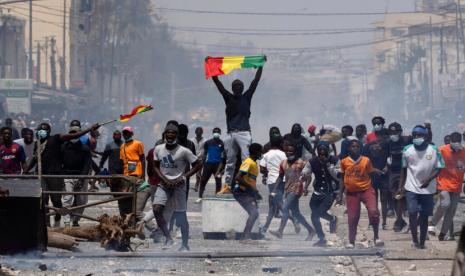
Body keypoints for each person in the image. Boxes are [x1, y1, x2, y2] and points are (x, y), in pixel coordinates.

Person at [27, 122, 99, 227]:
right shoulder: (37, 143)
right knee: (44, 199)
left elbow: (74, 136)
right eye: (39, 130)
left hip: (55, 175)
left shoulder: (56, 139)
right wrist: (26, 170)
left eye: (43, 130)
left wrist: (89, 129)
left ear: (49, 131)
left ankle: (58, 219)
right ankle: (47, 224)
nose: (41, 132)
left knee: (56, 200)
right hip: (42, 175)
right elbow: (34, 158)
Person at [211, 64, 263, 188]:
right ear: (232, 88)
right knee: (230, 162)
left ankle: (245, 184)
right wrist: (211, 68)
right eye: (235, 86)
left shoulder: (247, 96)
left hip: (244, 133)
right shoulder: (228, 97)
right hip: (230, 133)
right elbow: (218, 83)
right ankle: (227, 186)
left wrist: (261, 66)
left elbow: (255, 81)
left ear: (243, 88)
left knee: (246, 160)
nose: (238, 87)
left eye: (240, 86)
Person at [152, 124, 202, 251]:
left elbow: (198, 164)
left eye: (173, 133)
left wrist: (184, 177)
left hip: (179, 186)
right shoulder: (158, 149)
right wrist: (164, 179)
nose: (170, 135)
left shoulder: (184, 151)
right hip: (164, 184)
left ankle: (185, 244)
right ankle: (168, 237)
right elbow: (155, 166)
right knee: (157, 209)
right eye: (168, 133)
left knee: (181, 215)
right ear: (164, 135)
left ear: (177, 135)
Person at [398, 125, 444, 249]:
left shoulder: (434, 149)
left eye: (419, 135)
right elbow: (403, 169)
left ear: (425, 136)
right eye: (414, 135)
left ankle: (422, 242)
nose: (416, 137)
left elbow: (439, 167)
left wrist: (429, 179)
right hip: (411, 187)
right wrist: (400, 186)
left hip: (428, 189)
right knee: (412, 212)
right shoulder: (407, 150)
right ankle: (414, 239)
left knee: (424, 216)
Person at [337, 139, 384, 248]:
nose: (355, 148)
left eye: (357, 146)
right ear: (349, 148)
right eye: (353, 146)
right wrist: (340, 193)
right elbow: (342, 178)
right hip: (352, 192)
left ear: (360, 148)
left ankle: (376, 237)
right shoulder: (344, 162)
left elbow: (371, 173)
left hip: (366, 189)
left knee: (373, 211)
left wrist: (373, 188)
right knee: (352, 217)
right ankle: (351, 241)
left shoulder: (366, 160)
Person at [269, 144, 316, 241]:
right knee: (296, 214)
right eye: (287, 151)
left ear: (294, 152)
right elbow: (281, 176)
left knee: (285, 207)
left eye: (291, 151)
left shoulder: (300, 163)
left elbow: (308, 177)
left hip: (297, 189)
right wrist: (274, 189)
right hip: (288, 189)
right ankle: (311, 230)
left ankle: (280, 231)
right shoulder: (283, 163)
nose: (289, 153)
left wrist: (305, 187)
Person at [430, 132, 465, 241]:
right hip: (443, 183)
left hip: (457, 185)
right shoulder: (442, 150)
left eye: (458, 142)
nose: (456, 144)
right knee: (445, 204)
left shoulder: (464, 152)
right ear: (450, 142)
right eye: (454, 142)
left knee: (451, 211)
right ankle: (432, 223)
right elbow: (433, 163)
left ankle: (443, 233)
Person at [302, 143, 339, 246]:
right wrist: (303, 176)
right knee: (314, 215)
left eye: (324, 151)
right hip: (317, 191)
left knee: (318, 213)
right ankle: (322, 236)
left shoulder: (335, 160)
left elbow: (338, 176)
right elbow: (306, 171)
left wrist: (328, 165)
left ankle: (326, 230)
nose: (322, 154)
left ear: (328, 151)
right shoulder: (313, 161)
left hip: (330, 192)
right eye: (320, 151)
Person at [61, 126, 92, 227]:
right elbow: (59, 163)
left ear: (79, 134)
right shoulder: (64, 147)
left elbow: (87, 165)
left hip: (81, 177)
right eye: (72, 132)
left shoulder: (85, 148)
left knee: (82, 201)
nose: (73, 135)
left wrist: (82, 179)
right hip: (67, 176)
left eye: (75, 132)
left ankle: (75, 220)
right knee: (67, 200)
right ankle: (66, 223)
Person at [233, 143, 263, 241]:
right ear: (255, 152)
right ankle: (246, 236)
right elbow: (238, 178)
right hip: (241, 191)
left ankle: (248, 234)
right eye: (260, 151)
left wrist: (255, 192)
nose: (261, 153)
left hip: (248, 192)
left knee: (255, 212)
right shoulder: (248, 162)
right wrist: (251, 188)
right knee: (254, 212)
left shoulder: (254, 163)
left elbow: (250, 179)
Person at [260, 135, 289, 233]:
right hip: (282, 180)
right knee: (272, 205)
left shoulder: (267, 155)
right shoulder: (283, 154)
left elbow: (262, 168)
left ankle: (293, 220)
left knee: (278, 204)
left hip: (272, 182)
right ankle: (265, 228)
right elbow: (285, 168)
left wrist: (266, 173)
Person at [363, 130, 390, 230]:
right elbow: (364, 162)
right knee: (372, 201)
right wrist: (374, 169)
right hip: (372, 176)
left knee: (384, 200)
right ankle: (371, 222)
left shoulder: (387, 146)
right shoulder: (368, 147)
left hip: (384, 176)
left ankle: (384, 222)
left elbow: (390, 158)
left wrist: (387, 167)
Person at [120, 126, 147, 219]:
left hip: (136, 172)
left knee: (134, 196)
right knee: (127, 197)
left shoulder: (138, 143)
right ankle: (130, 218)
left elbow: (143, 159)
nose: (126, 135)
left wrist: (143, 175)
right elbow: (122, 161)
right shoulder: (122, 146)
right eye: (124, 133)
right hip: (126, 174)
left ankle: (136, 216)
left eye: (127, 133)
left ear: (132, 134)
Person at [387, 122, 410, 232]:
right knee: (394, 197)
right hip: (393, 172)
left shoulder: (407, 140)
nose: (393, 134)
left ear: (400, 132)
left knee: (401, 196)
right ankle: (399, 219)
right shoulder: (388, 143)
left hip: (406, 171)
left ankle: (400, 220)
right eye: (391, 132)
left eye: (395, 132)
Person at [99, 130, 127, 215]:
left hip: (122, 167)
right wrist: (101, 164)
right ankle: (114, 194)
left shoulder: (124, 144)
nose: (117, 136)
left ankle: (121, 195)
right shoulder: (109, 145)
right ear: (113, 136)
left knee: (122, 182)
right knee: (113, 181)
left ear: (121, 136)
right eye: (115, 135)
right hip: (113, 167)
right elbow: (105, 156)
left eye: (118, 135)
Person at [197, 127, 225, 202]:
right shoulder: (208, 143)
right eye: (215, 132)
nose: (216, 133)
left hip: (217, 165)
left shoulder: (222, 143)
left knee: (218, 182)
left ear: (220, 134)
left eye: (218, 132)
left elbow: (223, 158)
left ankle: (217, 196)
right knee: (203, 180)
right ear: (213, 133)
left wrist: (221, 170)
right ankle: (200, 196)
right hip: (208, 164)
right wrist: (200, 168)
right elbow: (204, 155)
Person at [177, 124, 196, 198]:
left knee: (184, 197)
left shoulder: (190, 144)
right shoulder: (173, 143)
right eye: (180, 134)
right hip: (171, 175)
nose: (182, 136)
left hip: (185, 175)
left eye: (184, 134)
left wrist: (187, 175)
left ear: (187, 133)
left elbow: (195, 163)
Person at [192, 127, 206, 192]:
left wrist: (204, 157)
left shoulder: (205, 140)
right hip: (193, 159)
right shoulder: (192, 140)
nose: (199, 132)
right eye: (197, 131)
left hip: (201, 159)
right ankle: (202, 184)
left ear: (202, 132)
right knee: (196, 172)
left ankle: (197, 185)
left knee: (198, 173)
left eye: (200, 131)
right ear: (195, 132)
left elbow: (206, 150)